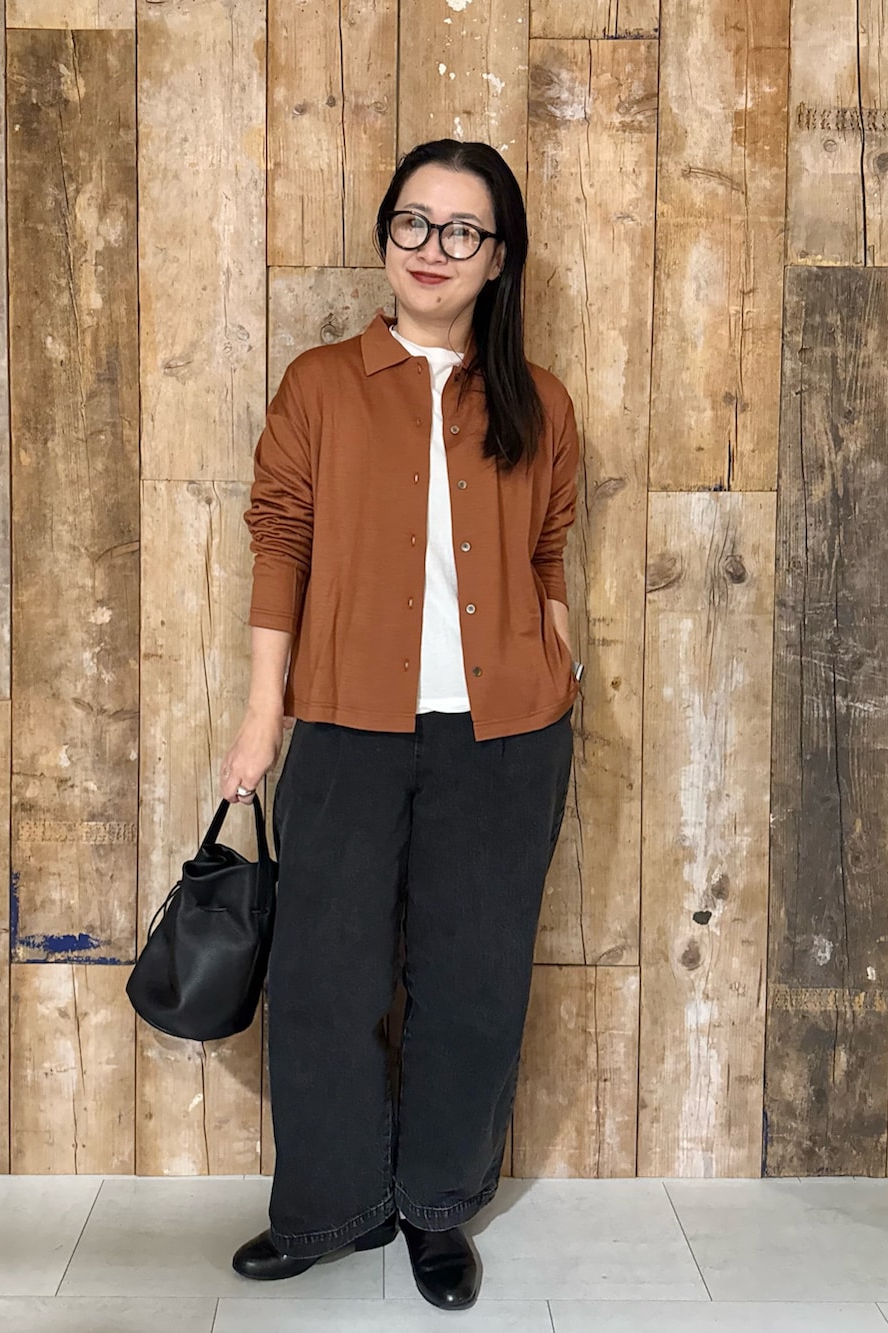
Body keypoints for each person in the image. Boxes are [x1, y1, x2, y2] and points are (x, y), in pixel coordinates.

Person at [220, 138, 582, 1311]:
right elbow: (280, 542)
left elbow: (547, 550)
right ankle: (331, 1205)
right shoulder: (321, 385)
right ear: (386, 237)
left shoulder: (537, 401)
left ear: (497, 258)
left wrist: (559, 658)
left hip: (504, 736)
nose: (432, 248)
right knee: (324, 978)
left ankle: (436, 1207)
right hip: (346, 724)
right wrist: (261, 716)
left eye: (461, 229)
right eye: (412, 223)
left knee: (472, 981)